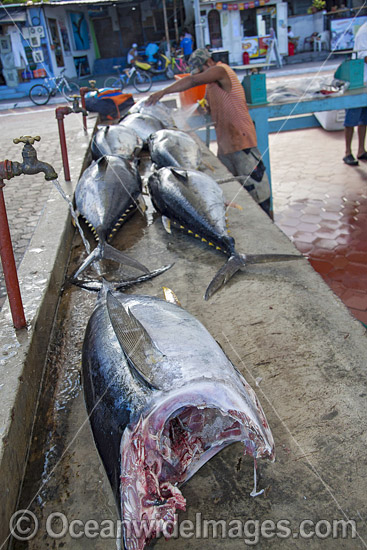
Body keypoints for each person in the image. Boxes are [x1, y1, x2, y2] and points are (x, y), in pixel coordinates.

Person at [146, 48, 271, 217]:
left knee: (257, 189)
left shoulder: (221, 70)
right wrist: (205, 108)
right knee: (230, 188)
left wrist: (164, 92)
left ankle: (268, 223)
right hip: (226, 145)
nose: (202, 75)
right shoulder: (211, 85)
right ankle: (246, 219)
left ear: (208, 63)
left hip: (242, 143)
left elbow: (192, 81)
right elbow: (210, 105)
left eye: (201, 71)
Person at [343, 21, 367, 166]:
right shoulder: (364, 32)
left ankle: (361, 150)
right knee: (351, 119)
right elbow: (364, 56)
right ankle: (347, 152)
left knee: (364, 119)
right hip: (358, 82)